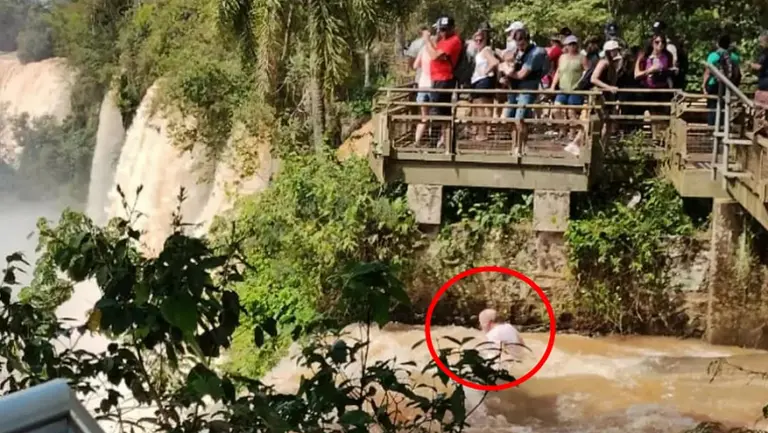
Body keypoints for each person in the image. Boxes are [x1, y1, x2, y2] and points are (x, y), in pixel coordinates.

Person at [422, 15, 463, 148]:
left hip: (444, 80)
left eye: (445, 29)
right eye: (441, 29)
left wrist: (426, 40)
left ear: (452, 29)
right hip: (436, 79)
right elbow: (435, 50)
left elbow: (434, 55)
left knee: (437, 112)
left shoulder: (454, 40)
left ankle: (434, 142)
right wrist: (432, 40)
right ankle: (444, 142)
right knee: (441, 112)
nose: (442, 32)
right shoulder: (443, 40)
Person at [552, 35, 588, 154]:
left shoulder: (582, 58)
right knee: (556, 109)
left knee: (571, 112)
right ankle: (563, 130)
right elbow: (558, 71)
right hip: (563, 88)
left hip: (575, 89)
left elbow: (587, 72)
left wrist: (581, 84)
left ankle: (572, 134)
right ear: (566, 46)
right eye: (570, 44)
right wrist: (552, 86)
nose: (572, 46)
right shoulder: (562, 57)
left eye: (574, 44)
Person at [703, 34, 742, 126]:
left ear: (718, 44)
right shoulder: (734, 57)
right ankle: (723, 126)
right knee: (725, 105)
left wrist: (704, 85)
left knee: (713, 106)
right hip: (728, 84)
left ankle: (712, 127)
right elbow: (737, 73)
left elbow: (708, 72)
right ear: (729, 44)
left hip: (714, 83)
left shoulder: (713, 56)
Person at [469, 29, 499, 141]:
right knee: (480, 108)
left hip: (483, 81)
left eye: (480, 39)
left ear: (485, 40)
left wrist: (485, 72)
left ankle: (483, 134)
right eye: (476, 39)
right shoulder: (478, 52)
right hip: (477, 81)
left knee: (480, 108)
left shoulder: (486, 50)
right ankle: (484, 132)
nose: (478, 41)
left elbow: (494, 62)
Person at [635, 34, 674, 115]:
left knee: (662, 115)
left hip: (663, 89)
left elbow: (669, 71)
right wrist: (649, 71)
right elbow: (636, 75)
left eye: (663, 42)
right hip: (647, 89)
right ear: (652, 43)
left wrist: (669, 72)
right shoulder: (644, 56)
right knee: (649, 114)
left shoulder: (668, 56)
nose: (660, 44)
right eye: (657, 42)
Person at [412, 26, 435, 146]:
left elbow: (415, 65)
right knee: (433, 114)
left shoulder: (422, 50)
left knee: (424, 117)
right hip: (432, 85)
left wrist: (423, 66)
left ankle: (417, 141)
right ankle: (432, 140)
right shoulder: (434, 50)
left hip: (422, 85)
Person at [752, 32, 768, 133]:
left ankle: (760, 127)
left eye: (761, 42)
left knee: (761, 105)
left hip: (765, 82)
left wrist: (751, 65)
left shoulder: (765, 54)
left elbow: (760, 66)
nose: (760, 44)